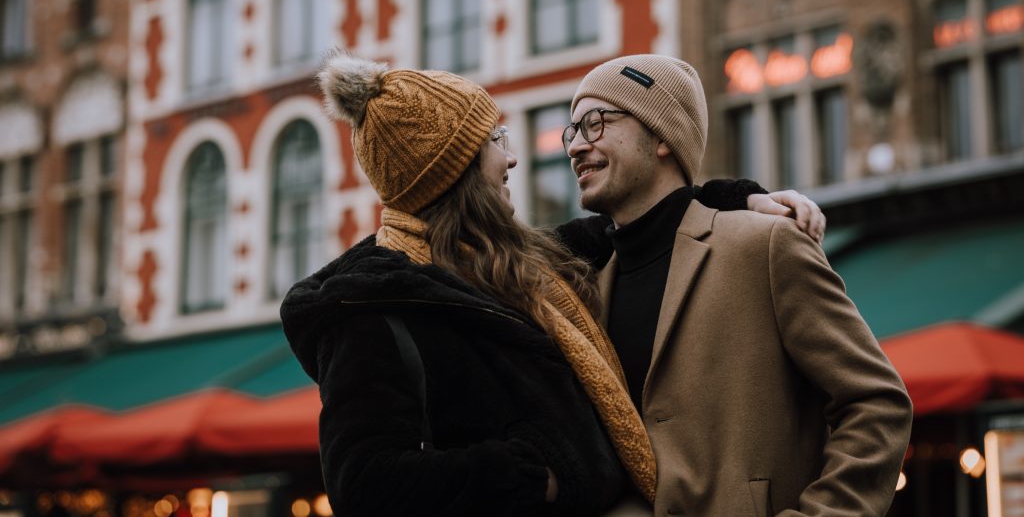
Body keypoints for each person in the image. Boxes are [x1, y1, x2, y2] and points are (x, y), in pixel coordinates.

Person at [280, 50, 817, 517]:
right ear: (457, 167)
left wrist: (738, 197)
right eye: (496, 138)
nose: (511, 156)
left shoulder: (509, 262)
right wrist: (540, 475)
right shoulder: (370, 308)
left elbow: (632, 222)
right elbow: (364, 484)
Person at [564, 54, 914, 517]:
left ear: (662, 135)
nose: (575, 146)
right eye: (573, 131)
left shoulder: (767, 245)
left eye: (595, 122)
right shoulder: (587, 285)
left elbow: (877, 403)